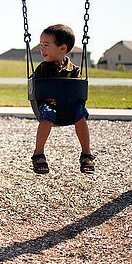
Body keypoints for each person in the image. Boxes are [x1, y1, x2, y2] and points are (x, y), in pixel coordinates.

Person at [31, 24, 95, 175]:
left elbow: (78, 92)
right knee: (46, 115)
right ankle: (38, 154)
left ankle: (86, 154)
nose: (42, 49)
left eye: (46, 45)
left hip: (69, 107)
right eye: (41, 45)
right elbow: (37, 91)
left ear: (62, 49)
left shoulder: (74, 70)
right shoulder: (42, 69)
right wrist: (46, 97)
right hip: (49, 106)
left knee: (81, 113)